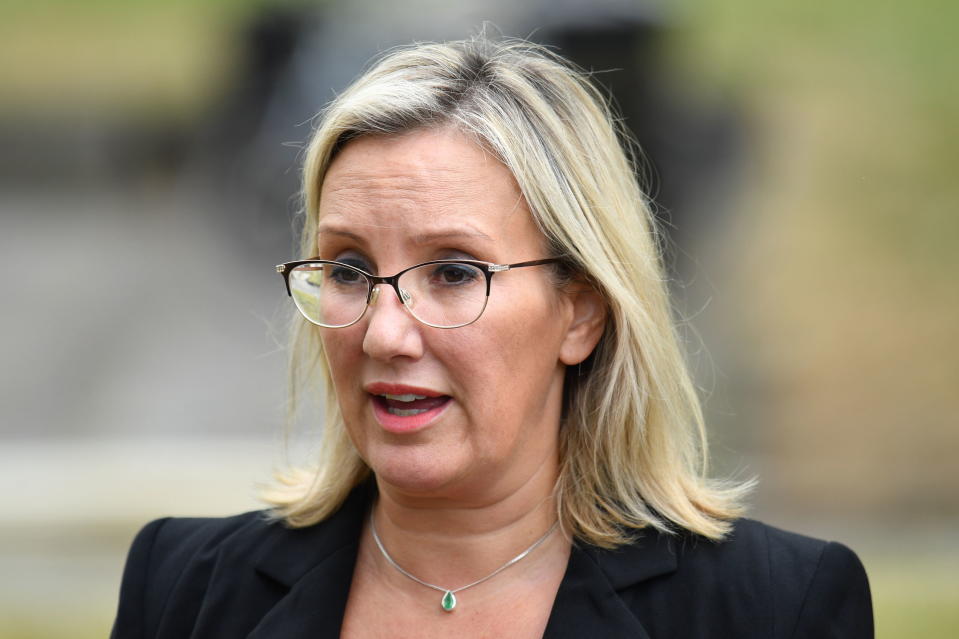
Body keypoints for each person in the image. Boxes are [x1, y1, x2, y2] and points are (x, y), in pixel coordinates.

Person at [111, 36, 873, 638]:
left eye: (451, 271)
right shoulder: (182, 584)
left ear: (580, 310)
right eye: (348, 267)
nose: (384, 330)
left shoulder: (775, 605)